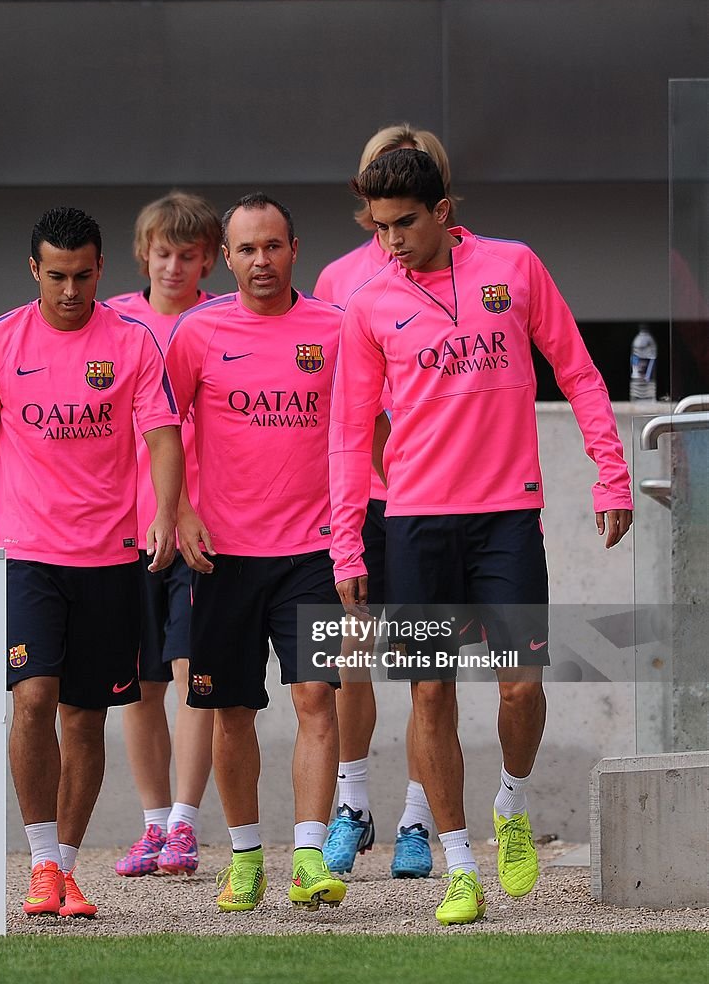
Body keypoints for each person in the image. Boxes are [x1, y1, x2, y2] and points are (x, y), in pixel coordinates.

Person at [329, 150, 633, 925]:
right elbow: (346, 432)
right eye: (379, 226)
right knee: (430, 689)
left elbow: (581, 371)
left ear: (443, 211)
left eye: (405, 223)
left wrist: (611, 471)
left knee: (520, 686)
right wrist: (346, 543)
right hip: (414, 521)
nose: (391, 240)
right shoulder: (367, 305)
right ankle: (460, 862)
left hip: (505, 515)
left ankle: (512, 803)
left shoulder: (516, 267)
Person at [0, 207, 183, 918]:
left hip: (110, 560)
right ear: (33, 271)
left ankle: (69, 870)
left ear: (101, 270)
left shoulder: (133, 342)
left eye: (82, 276)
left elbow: (164, 437)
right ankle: (41, 863)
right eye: (56, 276)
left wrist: (164, 515)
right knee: (33, 698)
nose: (70, 290)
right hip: (25, 556)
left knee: (85, 718)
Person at [165, 193, 347, 913]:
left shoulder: (336, 327)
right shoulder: (196, 330)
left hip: (317, 551)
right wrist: (177, 511)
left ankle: (306, 857)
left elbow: (378, 425)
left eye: (272, 246)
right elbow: (159, 424)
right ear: (227, 257)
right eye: (246, 249)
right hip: (224, 555)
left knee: (315, 699)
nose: (261, 261)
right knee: (231, 711)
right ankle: (245, 859)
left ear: (294, 249)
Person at [314, 124, 457, 880]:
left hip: (436, 501)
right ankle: (353, 805)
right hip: (363, 502)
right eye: (378, 194)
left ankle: (417, 818)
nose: (391, 225)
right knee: (354, 652)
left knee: (429, 666)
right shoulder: (341, 280)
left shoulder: (471, 270)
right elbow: (338, 406)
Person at [104, 192, 221, 877]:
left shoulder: (222, 321)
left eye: (187, 254)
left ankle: (184, 824)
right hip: (124, 529)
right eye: (162, 252)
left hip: (204, 529)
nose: (173, 265)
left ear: (208, 259)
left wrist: (182, 513)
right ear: (143, 254)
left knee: (193, 678)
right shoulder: (112, 319)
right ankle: (151, 826)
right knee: (139, 685)